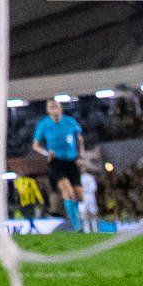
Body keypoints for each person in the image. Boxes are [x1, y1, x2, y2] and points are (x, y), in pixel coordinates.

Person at [31, 99, 86, 232]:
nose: (53, 109)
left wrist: (81, 155)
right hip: (56, 161)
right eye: (50, 107)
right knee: (68, 192)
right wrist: (46, 153)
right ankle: (77, 226)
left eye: (55, 106)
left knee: (79, 195)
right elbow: (35, 145)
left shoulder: (70, 122)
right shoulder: (43, 124)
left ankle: (78, 219)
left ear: (60, 108)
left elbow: (79, 139)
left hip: (71, 161)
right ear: (48, 110)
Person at [79, 159, 100, 233]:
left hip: (89, 196)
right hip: (81, 197)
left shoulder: (89, 177)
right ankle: (86, 230)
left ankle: (95, 229)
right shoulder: (77, 178)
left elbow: (93, 188)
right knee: (83, 214)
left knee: (92, 212)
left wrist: (85, 190)